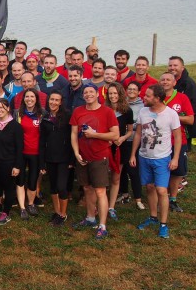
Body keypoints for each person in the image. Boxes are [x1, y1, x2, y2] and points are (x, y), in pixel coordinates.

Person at [131, 85, 182, 239]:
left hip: (162, 158)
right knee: (150, 187)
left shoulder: (171, 114)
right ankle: (153, 217)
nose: (143, 98)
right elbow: (138, 133)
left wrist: (175, 158)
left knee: (161, 190)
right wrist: (133, 154)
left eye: (147, 96)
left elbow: (178, 137)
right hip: (144, 157)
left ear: (157, 98)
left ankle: (163, 224)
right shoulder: (143, 111)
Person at [70, 84, 119, 239]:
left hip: (100, 156)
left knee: (100, 191)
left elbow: (115, 135)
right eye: (85, 92)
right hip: (83, 157)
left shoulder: (107, 112)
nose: (88, 94)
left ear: (97, 94)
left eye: (91, 92)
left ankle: (102, 225)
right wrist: (76, 153)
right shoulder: (78, 111)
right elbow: (73, 133)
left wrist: (95, 134)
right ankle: (91, 217)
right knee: (87, 189)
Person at [159, 72, 194, 213]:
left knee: (177, 171)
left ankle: (172, 199)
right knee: (161, 170)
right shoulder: (155, 97)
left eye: (168, 80)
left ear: (174, 83)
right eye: (163, 80)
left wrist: (172, 116)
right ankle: (161, 198)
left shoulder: (182, 98)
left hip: (177, 141)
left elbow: (190, 119)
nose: (165, 82)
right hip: (159, 142)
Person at [39, 91, 73, 226]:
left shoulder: (67, 117)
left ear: (60, 102)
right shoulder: (45, 118)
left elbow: (72, 138)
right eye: (51, 99)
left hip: (64, 158)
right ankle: (57, 212)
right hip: (50, 157)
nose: (53, 102)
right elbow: (42, 142)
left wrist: (72, 159)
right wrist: (42, 162)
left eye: (56, 100)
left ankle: (63, 214)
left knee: (61, 186)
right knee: (53, 187)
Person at [104, 82, 134, 221]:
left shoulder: (127, 111)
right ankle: (101, 203)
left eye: (115, 93)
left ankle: (111, 207)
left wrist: (122, 138)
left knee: (116, 177)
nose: (113, 96)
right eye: (110, 93)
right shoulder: (104, 109)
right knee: (104, 177)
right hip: (106, 147)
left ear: (120, 94)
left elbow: (130, 131)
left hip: (120, 147)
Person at [15, 88, 43, 220]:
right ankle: (22, 207)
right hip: (21, 153)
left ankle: (31, 203)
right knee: (20, 180)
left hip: (36, 153)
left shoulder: (42, 114)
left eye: (32, 96)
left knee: (32, 180)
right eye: (27, 97)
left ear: (36, 99)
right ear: (23, 99)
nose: (29, 99)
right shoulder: (17, 114)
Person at [120, 81, 146, 210]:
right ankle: (124, 193)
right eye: (129, 89)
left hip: (133, 141)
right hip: (121, 140)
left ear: (139, 92)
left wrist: (131, 125)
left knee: (133, 170)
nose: (131, 91)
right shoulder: (121, 103)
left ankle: (138, 198)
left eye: (134, 89)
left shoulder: (142, 106)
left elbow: (142, 123)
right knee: (122, 170)